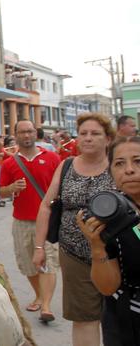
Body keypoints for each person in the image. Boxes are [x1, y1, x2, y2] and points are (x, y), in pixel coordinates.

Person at [33, 113, 115, 346]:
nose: (88, 138)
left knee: (116, 316)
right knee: (84, 317)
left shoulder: (119, 165)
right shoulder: (67, 165)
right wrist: (39, 247)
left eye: (95, 134)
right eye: (83, 134)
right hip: (74, 255)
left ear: (108, 139)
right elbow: (46, 207)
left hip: (114, 254)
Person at [77, 136, 140, 345]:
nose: (129, 170)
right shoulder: (109, 215)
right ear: (111, 171)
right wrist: (97, 245)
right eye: (120, 163)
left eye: (138, 161)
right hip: (127, 323)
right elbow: (107, 288)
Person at [0, 120, 61, 322]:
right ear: (16, 135)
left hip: (48, 221)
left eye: (30, 131)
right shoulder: (9, 163)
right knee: (28, 263)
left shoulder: (52, 158)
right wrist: (11, 188)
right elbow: (1, 192)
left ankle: (46, 306)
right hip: (22, 222)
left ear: (36, 133)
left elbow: (61, 188)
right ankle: (40, 294)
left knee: (49, 262)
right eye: (22, 132)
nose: (26, 135)